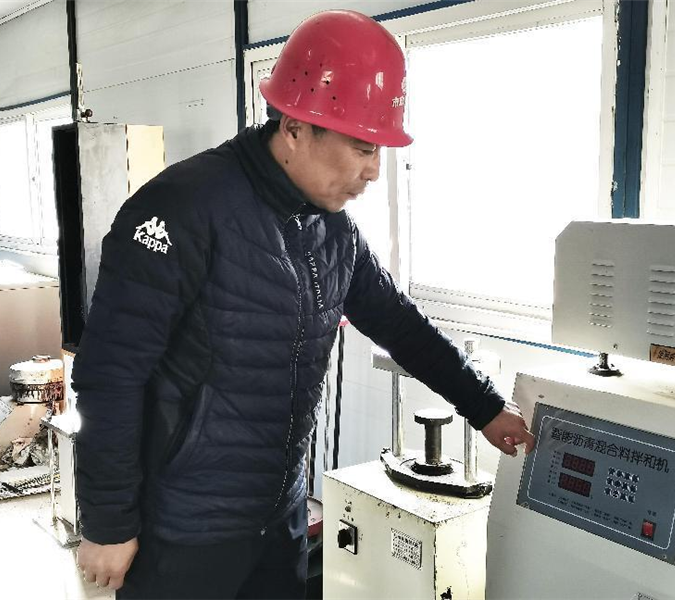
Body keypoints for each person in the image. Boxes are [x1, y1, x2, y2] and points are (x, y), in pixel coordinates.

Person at [73, 9, 535, 599]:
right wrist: (108, 522)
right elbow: (111, 374)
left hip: (278, 516)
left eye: (379, 150)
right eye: (362, 147)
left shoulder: (331, 229)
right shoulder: (182, 207)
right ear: (295, 128)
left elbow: (401, 325)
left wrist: (484, 406)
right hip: (185, 529)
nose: (374, 171)